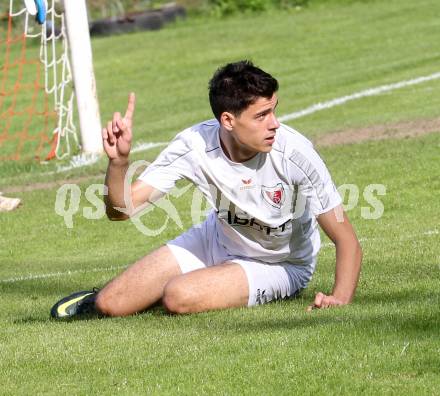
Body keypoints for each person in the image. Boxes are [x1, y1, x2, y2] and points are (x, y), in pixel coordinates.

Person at [50, 60, 362, 319]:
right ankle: (124, 293)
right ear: (228, 120)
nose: (275, 124)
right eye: (261, 115)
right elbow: (122, 211)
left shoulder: (296, 153)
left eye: (274, 111)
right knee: (110, 304)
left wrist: (340, 298)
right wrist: (119, 163)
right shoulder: (194, 144)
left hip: (280, 265)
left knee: (178, 295)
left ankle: (207, 284)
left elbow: (346, 239)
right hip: (215, 239)